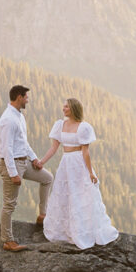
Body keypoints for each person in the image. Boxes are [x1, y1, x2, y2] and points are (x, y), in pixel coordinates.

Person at [36, 97, 118, 249]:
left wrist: (90, 173)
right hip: (66, 163)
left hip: (79, 164)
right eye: (64, 106)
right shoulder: (60, 125)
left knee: (81, 196)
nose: (63, 109)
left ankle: (82, 231)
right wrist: (42, 162)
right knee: (64, 194)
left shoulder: (83, 127)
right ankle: (66, 231)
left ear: (73, 108)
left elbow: (85, 152)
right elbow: (54, 148)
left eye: (66, 107)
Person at [0, 84, 53, 252]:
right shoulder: (9, 120)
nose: (28, 99)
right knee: (9, 204)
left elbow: (22, 143)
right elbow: (7, 149)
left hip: (23, 162)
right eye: (26, 97)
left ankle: (43, 215)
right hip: (11, 164)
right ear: (19, 97)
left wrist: (34, 158)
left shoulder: (19, 116)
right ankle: (7, 241)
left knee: (47, 178)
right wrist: (13, 173)